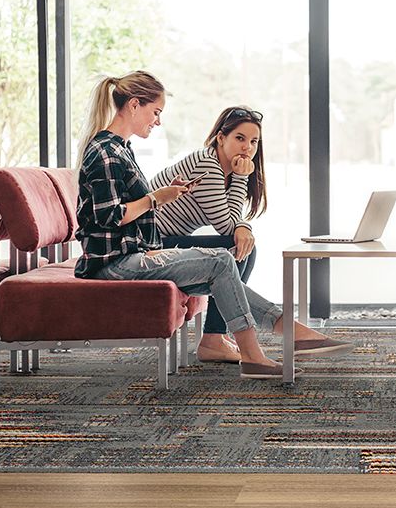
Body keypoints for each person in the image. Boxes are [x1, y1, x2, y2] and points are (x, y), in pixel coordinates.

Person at [72, 71, 324, 380]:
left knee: (223, 270)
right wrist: (155, 198)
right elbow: (110, 216)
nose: (158, 121)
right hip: (115, 261)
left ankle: (279, 334)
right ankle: (260, 348)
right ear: (134, 105)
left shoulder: (120, 148)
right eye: (156, 112)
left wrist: (165, 196)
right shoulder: (106, 153)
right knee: (222, 260)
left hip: (135, 251)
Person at [146, 105, 352, 363]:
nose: (247, 147)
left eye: (253, 141)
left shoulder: (223, 169)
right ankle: (221, 337)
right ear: (221, 138)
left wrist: (242, 222)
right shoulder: (207, 165)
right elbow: (227, 227)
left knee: (242, 250)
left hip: (166, 240)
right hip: (151, 245)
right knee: (240, 248)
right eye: (240, 138)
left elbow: (232, 224)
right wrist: (243, 183)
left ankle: (215, 338)